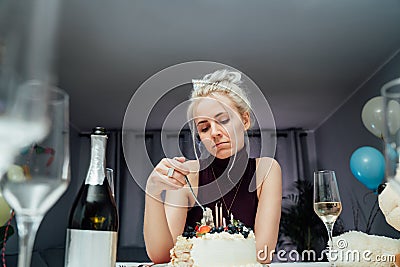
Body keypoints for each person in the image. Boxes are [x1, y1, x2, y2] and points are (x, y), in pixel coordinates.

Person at [143, 69, 282, 264]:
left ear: (245, 120)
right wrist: (152, 193)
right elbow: (162, 256)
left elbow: (263, 254)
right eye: (204, 128)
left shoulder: (266, 170)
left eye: (223, 120)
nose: (215, 132)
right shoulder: (188, 174)